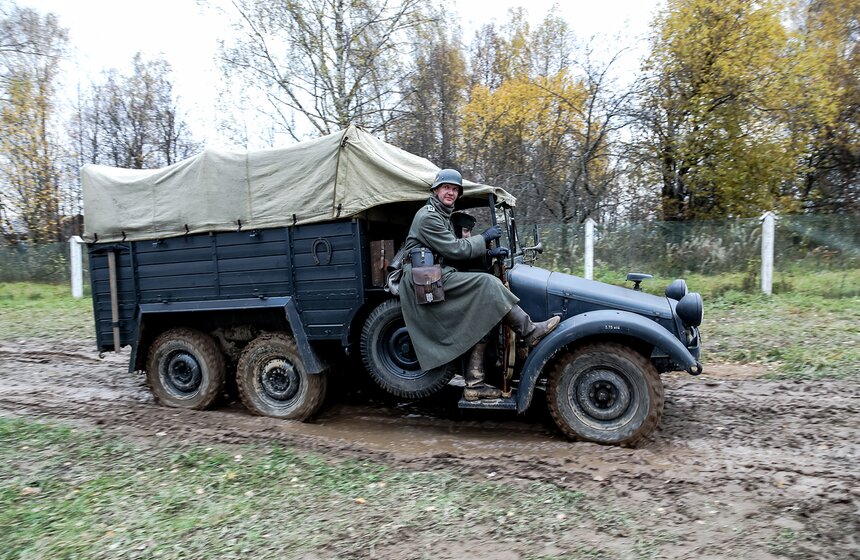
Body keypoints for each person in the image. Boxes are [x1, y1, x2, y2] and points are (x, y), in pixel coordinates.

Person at [399, 168, 560, 401]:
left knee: (481, 311)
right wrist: (484, 238)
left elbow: (451, 249)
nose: (450, 193)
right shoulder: (429, 216)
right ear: (435, 190)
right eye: (446, 188)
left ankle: (475, 384)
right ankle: (529, 331)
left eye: (455, 189)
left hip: (435, 272)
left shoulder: (442, 214)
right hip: (423, 278)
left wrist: (488, 251)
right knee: (487, 283)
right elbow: (454, 249)